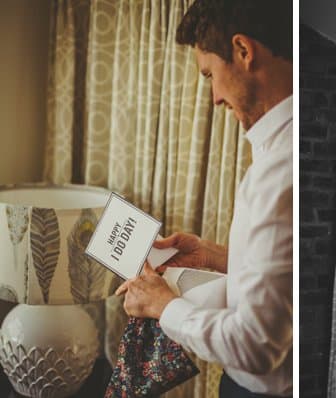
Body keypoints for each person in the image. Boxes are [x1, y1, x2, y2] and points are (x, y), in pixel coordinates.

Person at [113, 1, 293, 396]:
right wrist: (213, 255)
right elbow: (283, 282)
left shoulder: (281, 169)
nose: (213, 98)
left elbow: (257, 345)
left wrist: (163, 306)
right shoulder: (278, 151)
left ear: (244, 51)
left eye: (210, 74)